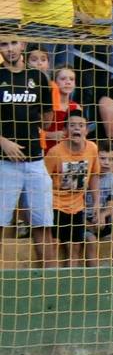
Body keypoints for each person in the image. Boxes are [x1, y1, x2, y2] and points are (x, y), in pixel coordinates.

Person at [0, 34, 56, 267]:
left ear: (22, 45)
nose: (10, 48)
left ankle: (49, 283)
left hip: (35, 161)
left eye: (14, 43)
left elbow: (46, 118)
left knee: (43, 223)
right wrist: (3, 141)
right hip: (4, 162)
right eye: (4, 44)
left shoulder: (37, 77)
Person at [44, 111, 100, 267]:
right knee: (53, 245)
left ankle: (70, 284)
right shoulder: (55, 152)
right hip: (55, 205)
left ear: (86, 131)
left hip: (77, 206)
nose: (77, 128)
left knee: (74, 248)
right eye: (72, 125)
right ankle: (51, 282)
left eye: (81, 125)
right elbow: (43, 180)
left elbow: (95, 175)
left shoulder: (92, 149)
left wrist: (96, 202)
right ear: (65, 131)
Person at [86, 141, 113, 265]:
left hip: (102, 219)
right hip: (83, 219)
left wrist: (102, 215)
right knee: (91, 241)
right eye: (102, 158)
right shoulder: (86, 177)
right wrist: (90, 223)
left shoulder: (112, 179)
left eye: (111, 159)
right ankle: (93, 274)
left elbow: (110, 205)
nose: (106, 163)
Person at [41, 65, 81, 153]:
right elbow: (31, 129)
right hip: (45, 152)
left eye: (71, 79)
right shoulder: (46, 105)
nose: (68, 82)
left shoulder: (76, 107)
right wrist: (49, 135)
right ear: (54, 82)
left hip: (67, 153)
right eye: (63, 79)